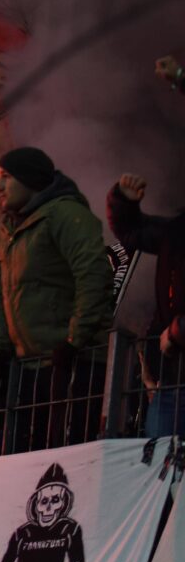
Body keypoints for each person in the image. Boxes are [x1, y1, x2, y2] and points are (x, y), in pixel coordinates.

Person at [0, 147, 113, 448]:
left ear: (30, 179)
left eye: (5, 177)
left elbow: (93, 276)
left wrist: (73, 341)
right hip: (31, 366)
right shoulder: (7, 230)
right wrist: (0, 347)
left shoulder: (67, 215)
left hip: (76, 365)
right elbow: (0, 291)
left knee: (71, 454)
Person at [106, 173, 185, 437]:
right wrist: (124, 205)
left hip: (172, 379)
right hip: (171, 382)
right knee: (158, 470)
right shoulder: (177, 232)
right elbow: (133, 233)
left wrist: (177, 332)